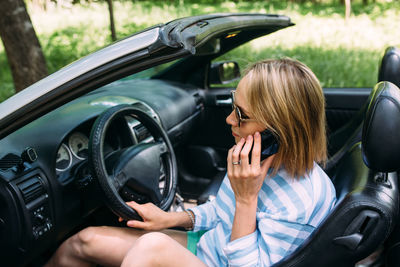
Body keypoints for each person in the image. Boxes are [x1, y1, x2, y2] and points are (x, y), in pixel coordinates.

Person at [45, 58, 336, 267]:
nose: (229, 120)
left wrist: (247, 200)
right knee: (83, 243)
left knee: (152, 247)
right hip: (209, 246)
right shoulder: (255, 160)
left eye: (242, 115)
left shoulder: (298, 202)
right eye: (233, 105)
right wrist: (172, 219)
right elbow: (221, 213)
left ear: (278, 131)